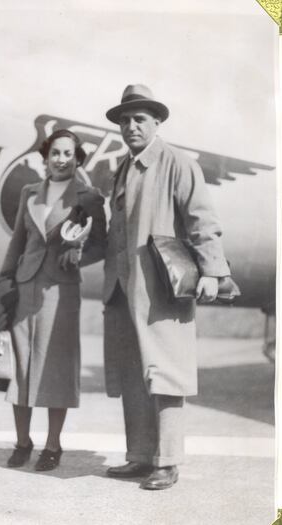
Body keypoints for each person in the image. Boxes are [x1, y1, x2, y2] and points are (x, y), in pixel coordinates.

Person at [103, 84, 231, 490]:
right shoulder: (122, 168)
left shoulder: (176, 162)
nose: (130, 126)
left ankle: (168, 461)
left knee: (166, 371)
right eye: (124, 120)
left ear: (157, 122)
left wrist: (212, 271)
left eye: (139, 118)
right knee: (133, 373)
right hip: (123, 287)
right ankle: (141, 456)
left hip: (162, 285)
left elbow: (201, 220)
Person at [0, 129, 106, 471]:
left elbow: (101, 243)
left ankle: (53, 445)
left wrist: (79, 256)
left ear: (78, 159)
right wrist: (4, 282)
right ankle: (22, 442)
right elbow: (17, 242)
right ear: (45, 158)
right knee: (21, 365)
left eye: (68, 154)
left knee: (55, 366)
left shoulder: (88, 196)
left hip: (62, 292)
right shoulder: (29, 192)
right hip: (25, 286)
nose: (61, 159)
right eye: (55, 153)